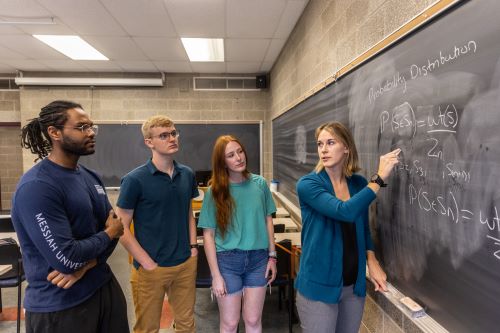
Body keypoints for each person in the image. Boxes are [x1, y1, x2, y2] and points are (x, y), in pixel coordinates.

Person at [11, 100, 128, 333]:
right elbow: (66, 260)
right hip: (60, 305)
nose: (91, 133)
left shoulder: (90, 176)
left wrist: (88, 264)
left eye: (91, 127)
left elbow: (117, 230)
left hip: (103, 289)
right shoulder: (38, 187)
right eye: (82, 127)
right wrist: (107, 234)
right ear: (54, 132)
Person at [294, 121, 400, 333]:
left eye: (330, 142)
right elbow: (345, 211)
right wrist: (378, 179)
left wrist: (371, 259)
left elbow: (362, 226)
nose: (323, 149)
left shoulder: (358, 184)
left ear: (346, 148)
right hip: (319, 287)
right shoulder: (308, 184)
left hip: (353, 286)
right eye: (319, 144)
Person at [116, 115, 198, 333]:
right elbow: (120, 228)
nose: (172, 138)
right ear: (149, 142)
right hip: (150, 268)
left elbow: (188, 212)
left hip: (184, 264)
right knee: (147, 329)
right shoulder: (134, 180)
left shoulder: (187, 174)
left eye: (173, 133)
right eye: (164, 135)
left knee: (186, 326)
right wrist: (147, 263)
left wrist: (193, 248)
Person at [198, 135, 277, 333]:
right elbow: (208, 235)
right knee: (230, 323)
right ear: (222, 162)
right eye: (231, 155)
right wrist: (216, 275)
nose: (239, 158)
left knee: (252, 320)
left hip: (258, 260)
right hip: (227, 262)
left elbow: (268, 220)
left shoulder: (260, 184)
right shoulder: (214, 192)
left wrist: (272, 256)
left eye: (240, 151)